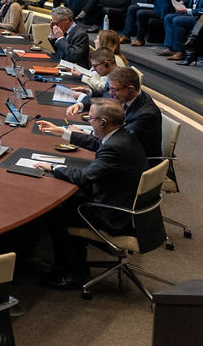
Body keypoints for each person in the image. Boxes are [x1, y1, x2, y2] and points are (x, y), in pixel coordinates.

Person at [35, 99, 146, 289]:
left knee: (55, 215)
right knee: (71, 203)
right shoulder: (123, 135)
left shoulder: (114, 147)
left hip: (114, 214)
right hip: (125, 203)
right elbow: (97, 143)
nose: (88, 122)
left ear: (103, 122)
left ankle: (73, 273)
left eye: (90, 119)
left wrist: (53, 167)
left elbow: (84, 178)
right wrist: (61, 131)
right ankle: (74, 263)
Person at [64, 66, 162, 159]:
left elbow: (114, 142)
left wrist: (77, 135)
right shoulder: (125, 95)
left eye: (113, 90)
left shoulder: (146, 114)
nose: (110, 93)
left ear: (131, 90)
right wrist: (80, 105)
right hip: (122, 152)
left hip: (136, 163)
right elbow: (104, 99)